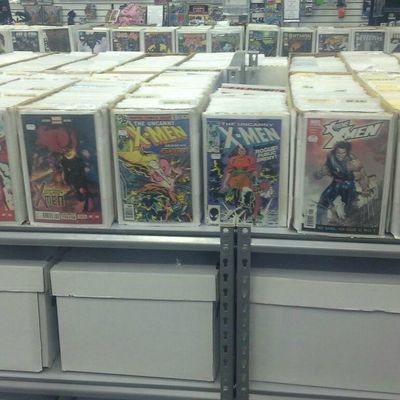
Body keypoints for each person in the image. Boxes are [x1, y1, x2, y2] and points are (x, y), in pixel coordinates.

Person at [314, 141, 367, 225]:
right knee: (322, 203)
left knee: (350, 207)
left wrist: (364, 189)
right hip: (335, 183)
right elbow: (325, 169)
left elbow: (362, 175)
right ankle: (320, 225)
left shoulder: (353, 161)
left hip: (348, 185)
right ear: (335, 151)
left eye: (343, 153)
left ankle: (351, 224)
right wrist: (320, 173)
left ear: (347, 152)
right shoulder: (331, 157)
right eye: (338, 153)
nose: (340, 155)